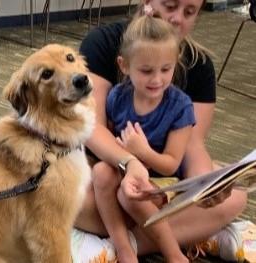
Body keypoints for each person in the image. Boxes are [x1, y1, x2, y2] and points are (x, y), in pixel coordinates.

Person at [74, 0, 248, 261]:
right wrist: (130, 162)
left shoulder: (199, 67)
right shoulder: (103, 43)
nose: (177, 18)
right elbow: (93, 127)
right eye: (170, 6)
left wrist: (204, 188)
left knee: (235, 197)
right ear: (148, 2)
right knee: (69, 196)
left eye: (189, 12)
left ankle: (113, 247)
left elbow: (192, 145)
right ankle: (195, 232)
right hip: (109, 173)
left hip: (162, 183)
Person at [92, 15, 194, 263]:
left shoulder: (180, 106)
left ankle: (173, 253)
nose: (157, 79)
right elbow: (110, 139)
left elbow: (171, 163)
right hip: (127, 173)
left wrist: (143, 151)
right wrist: (123, 153)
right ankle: (123, 247)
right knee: (100, 172)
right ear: (124, 66)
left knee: (129, 195)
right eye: (146, 71)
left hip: (163, 180)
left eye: (166, 69)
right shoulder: (117, 96)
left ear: (175, 64)